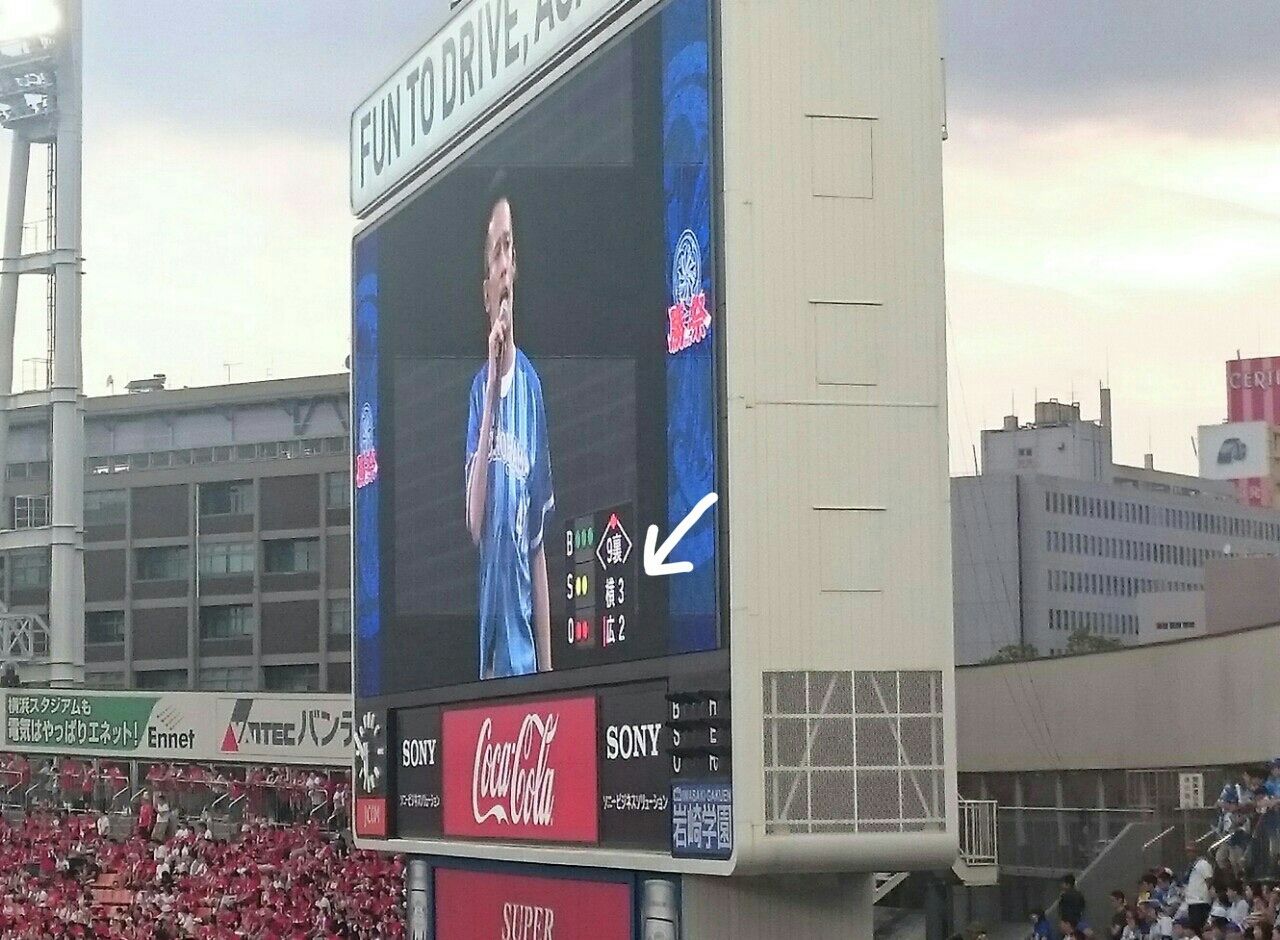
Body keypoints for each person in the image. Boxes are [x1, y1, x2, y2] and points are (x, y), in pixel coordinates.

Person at [464, 191, 555, 680]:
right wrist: (491, 404)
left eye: (509, 248)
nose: (503, 263)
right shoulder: (478, 392)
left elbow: (537, 545)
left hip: (526, 663)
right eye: (495, 251)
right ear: (487, 292)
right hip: (490, 661)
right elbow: (474, 520)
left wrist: (549, 674)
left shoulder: (533, 389)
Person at [1185, 842, 1216, 932]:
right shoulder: (1192, 865)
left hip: (1200, 901)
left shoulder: (1203, 864)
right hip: (1192, 901)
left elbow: (1209, 879)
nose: (1188, 854)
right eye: (1187, 851)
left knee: (1198, 927)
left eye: (1191, 851)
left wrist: (1207, 893)